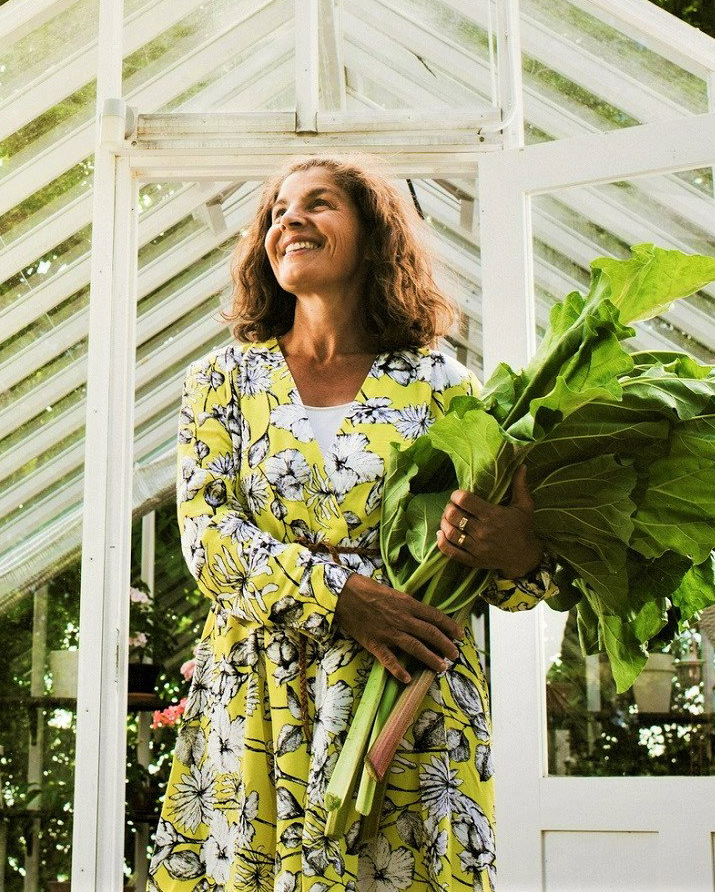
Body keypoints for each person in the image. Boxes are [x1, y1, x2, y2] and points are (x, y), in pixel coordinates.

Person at [150, 154, 554, 891]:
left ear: (373, 235)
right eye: (277, 211)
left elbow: (500, 576)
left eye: (319, 203)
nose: (290, 220)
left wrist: (522, 551)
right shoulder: (221, 381)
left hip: (407, 703)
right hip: (261, 698)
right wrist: (340, 597)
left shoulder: (444, 386)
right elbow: (207, 537)